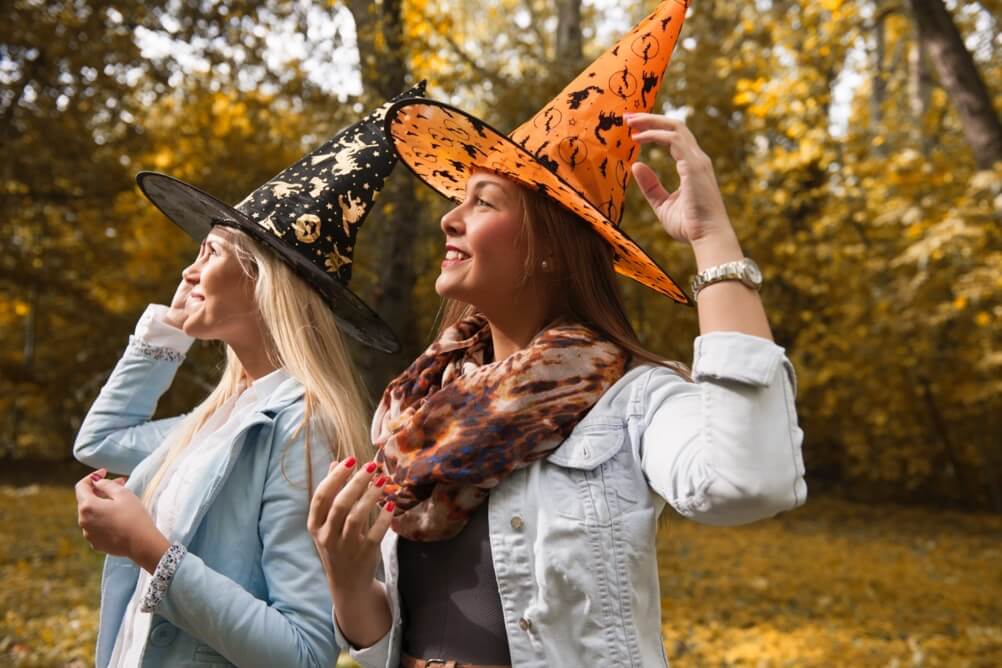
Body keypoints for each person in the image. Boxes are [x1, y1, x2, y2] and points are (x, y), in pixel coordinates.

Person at [308, 2, 806, 667]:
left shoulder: (633, 401)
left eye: (482, 202)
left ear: (548, 247)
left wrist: (713, 240)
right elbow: (392, 645)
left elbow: (749, 481)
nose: (448, 221)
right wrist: (346, 579)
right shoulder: (417, 414)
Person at [72, 83, 424, 668]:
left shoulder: (297, 427)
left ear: (266, 284)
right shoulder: (220, 416)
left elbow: (303, 653)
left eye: (209, 252)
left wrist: (150, 551)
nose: (187, 270)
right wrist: (169, 327)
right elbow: (99, 441)